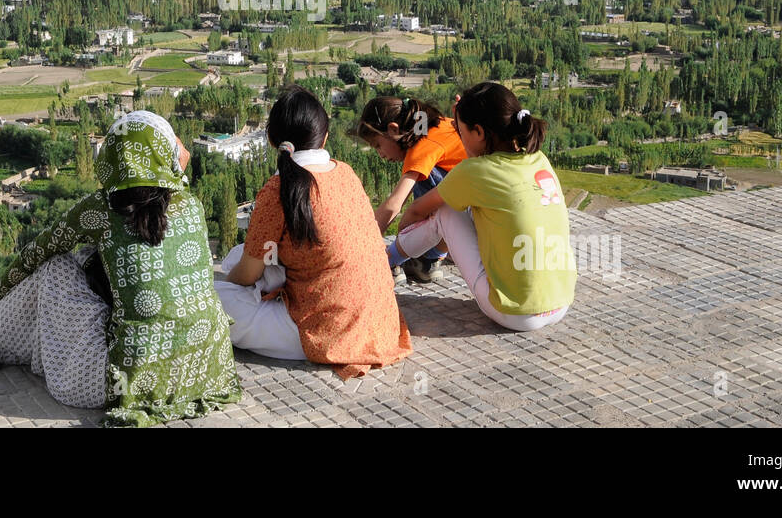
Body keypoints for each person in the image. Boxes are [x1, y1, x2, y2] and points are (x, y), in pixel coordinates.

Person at [0, 111, 241, 427]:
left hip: (120, 386)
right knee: (92, 257)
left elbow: (33, 256)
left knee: (55, 265)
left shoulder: (102, 208)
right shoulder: (190, 201)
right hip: (205, 373)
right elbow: (180, 162)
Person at [215, 85, 412, 378]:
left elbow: (247, 273)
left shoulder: (278, 189)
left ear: (272, 139)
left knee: (210, 302)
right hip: (381, 324)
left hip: (329, 333)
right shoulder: (345, 172)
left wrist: (233, 287)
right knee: (244, 255)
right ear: (325, 137)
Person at [388, 82, 575, 332]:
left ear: (479, 132)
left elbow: (417, 210)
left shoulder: (474, 171)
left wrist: (402, 237)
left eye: (461, 133)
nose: (460, 141)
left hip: (516, 313)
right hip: (561, 302)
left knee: (445, 210)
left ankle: (386, 261)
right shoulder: (539, 159)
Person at [353, 95, 467, 283]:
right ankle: (428, 259)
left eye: (378, 145)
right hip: (474, 207)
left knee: (425, 175)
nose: (380, 154)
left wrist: (366, 246)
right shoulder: (438, 125)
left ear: (393, 129)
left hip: (465, 214)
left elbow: (395, 204)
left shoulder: (423, 146)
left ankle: (421, 259)